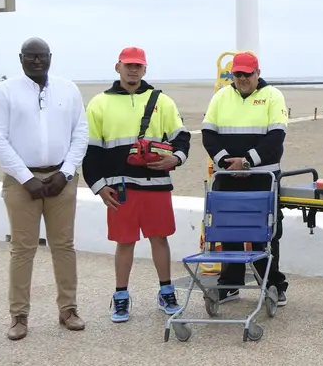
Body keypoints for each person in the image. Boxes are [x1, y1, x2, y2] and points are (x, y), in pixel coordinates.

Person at [0, 37, 89, 340]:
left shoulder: (68, 89)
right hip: (21, 184)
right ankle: (19, 316)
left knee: (64, 246)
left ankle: (68, 309)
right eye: (30, 56)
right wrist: (24, 177)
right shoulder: (5, 92)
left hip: (61, 179)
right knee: (22, 250)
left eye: (41, 56)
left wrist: (66, 172)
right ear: (21, 59)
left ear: (50, 57)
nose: (36, 61)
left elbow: (80, 133)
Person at [82, 47, 192, 323]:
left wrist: (175, 160)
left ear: (145, 69)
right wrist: (97, 185)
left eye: (138, 66)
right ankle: (121, 296)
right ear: (117, 67)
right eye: (128, 65)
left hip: (156, 184)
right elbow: (91, 150)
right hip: (119, 187)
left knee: (159, 238)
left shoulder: (162, 101)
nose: (133, 70)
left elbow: (182, 137)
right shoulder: (99, 103)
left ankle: (166, 291)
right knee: (125, 242)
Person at [200, 51, 290, 306]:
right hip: (228, 175)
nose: (241, 78)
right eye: (237, 74)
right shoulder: (221, 97)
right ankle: (230, 285)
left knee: (268, 231)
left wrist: (248, 161)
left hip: (263, 176)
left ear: (257, 73)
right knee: (230, 228)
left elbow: (275, 137)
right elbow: (208, 133)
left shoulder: (273, 96)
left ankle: (272, 284)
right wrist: (224, 161)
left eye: (246, 74)